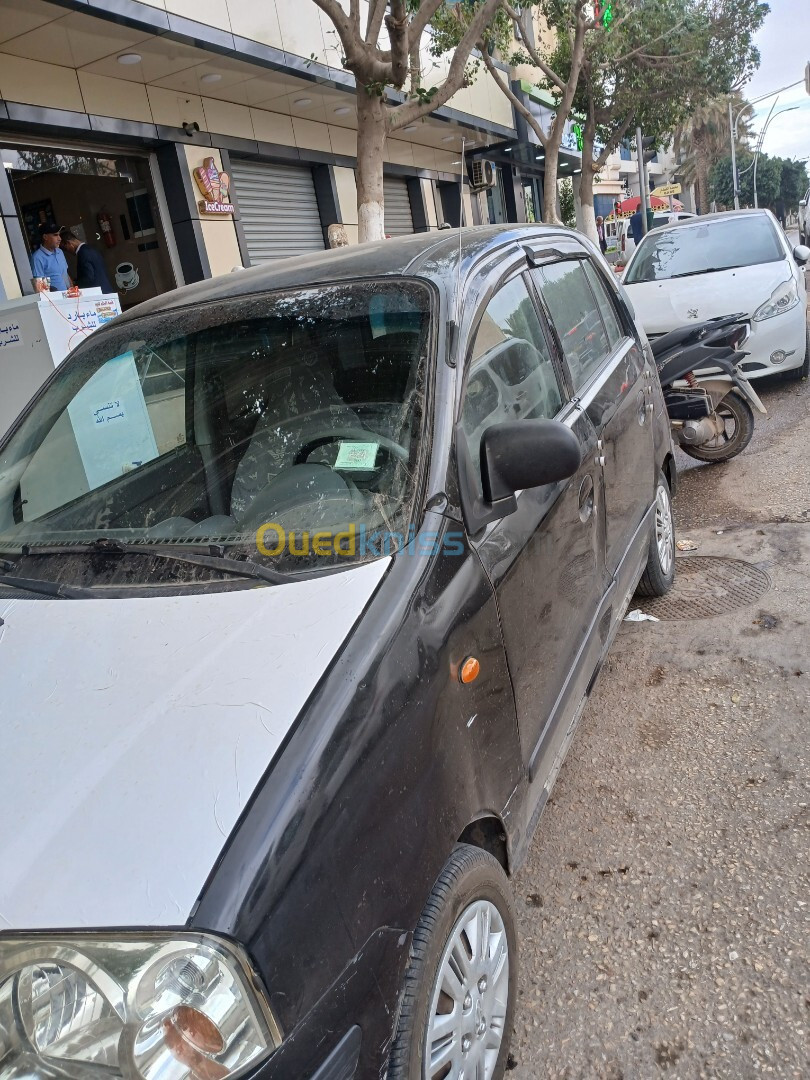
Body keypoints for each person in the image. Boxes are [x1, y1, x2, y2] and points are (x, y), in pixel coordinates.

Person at [30, 221, 71, 292]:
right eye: (55, 235)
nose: (60, 238)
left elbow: (65, 274)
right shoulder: (37, 257)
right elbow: (40, 289)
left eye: (59, 235)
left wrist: (73, 290)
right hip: (54, 300)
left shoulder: (59, 252)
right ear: (45, 237)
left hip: (69, 295)